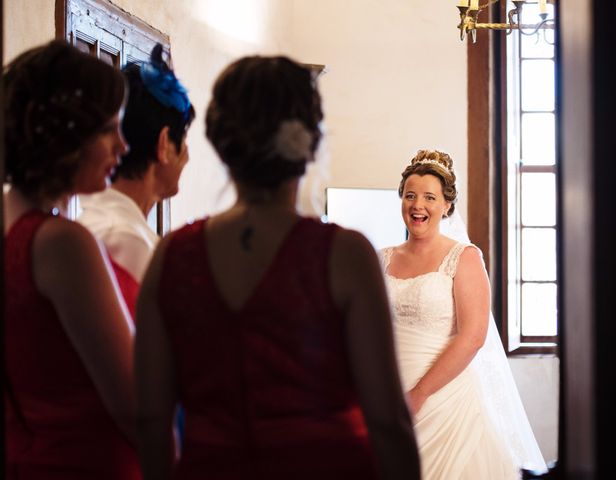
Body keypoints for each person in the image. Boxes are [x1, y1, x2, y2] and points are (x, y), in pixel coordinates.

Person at [135, 55, 421, 480]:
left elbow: (152, 421)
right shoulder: (345, 256)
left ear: (220, 139)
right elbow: (387, 421)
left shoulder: (171, 256)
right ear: (308, 142)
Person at [3, 41, 140, 479]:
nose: (122, 146)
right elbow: (137, 406)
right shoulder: (62, 243)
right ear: (67, 135)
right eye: (108, 129)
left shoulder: (13, 225)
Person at [380, 149, 548, 479]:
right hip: (389, 391)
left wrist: (419, 393)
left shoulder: (464, 257)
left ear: (446, 206)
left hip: (444, 398)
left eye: (430, 197)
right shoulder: (382, 257)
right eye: (410, 195)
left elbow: (473, 337)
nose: (418, 205)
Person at [78, 44, 195, 319]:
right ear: (164, 144)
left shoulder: (96, 223)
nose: (187, 156)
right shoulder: (127, 241)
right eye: (184, 141)